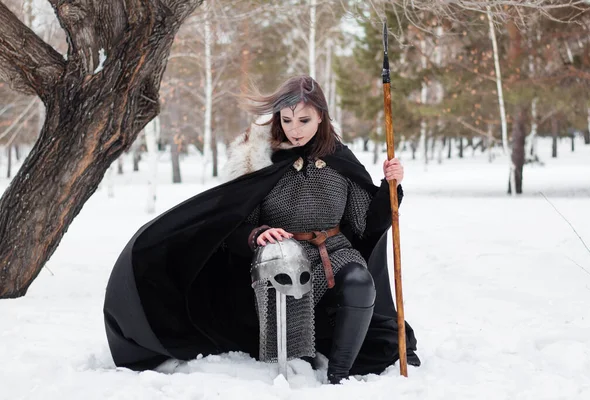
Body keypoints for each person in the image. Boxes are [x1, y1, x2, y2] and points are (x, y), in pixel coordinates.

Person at [103, 75, 419, 385]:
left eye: (304, 120)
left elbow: (369, 224)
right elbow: (235, 221)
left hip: (334, 250)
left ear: (321, 116)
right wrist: (257, 235)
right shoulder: (263, 160)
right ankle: (295, 350)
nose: (295, 130)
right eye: (287, 120)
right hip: (282, 256)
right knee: (285, 277)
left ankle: (339, 376)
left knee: (360, 281)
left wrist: (390, 187)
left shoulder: (339, 158)